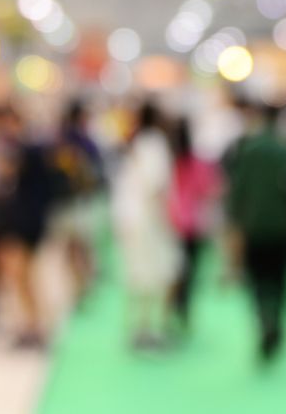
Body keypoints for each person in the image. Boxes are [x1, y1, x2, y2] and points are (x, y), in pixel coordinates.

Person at [223, 103, 286, 364]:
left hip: (254, 227)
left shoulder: (248, 150)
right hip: (282, 228)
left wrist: (235, 223)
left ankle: (264, 319)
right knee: (281, 279)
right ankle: (278, 320)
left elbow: (237, 192)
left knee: (258, 280)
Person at [0, 105, 63, 348]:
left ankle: (34, 325)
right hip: (31, 220)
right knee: (26, 276)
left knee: (22, 276)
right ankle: (33, 324)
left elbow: (4, 174)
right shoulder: (36, 149)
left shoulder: (21, 150)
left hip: (22, 222)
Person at [113, 103, 179, 350]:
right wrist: (166, 219)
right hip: (150, 221)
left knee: (142, 274)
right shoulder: (154, 143)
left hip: (136, 218)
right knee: (157, 273)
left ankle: (142, 326)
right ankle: (152, 328)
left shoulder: (140, 143)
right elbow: (156, 186)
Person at [52, 100, 107, 309]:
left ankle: (81, 284)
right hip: (74, 201)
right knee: (77, 246)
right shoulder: (77, 142)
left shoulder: (66, 140)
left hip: (72, 202)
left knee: (75, 247)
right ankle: (80, 284)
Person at [168, 119, 219, 333]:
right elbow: (211, 190)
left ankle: (173, 307)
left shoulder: (169, 162)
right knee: (188, 270)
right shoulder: (196, 163)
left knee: (172, 270)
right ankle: (183, 307)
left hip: (171, 224)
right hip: (191, 225)